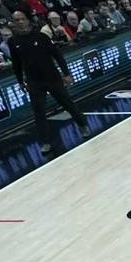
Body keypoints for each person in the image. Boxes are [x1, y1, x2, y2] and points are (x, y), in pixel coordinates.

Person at [8, 10, 91, 154]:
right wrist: (20, 81)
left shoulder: (41, 36)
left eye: (22, 19)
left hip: (52, 77)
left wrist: (66, 73)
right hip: (34, 82)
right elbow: (16, 64)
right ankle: (46, 142)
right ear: (13, 23)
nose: (20, 22)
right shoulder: (13, 41)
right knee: (39, 112)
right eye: (17, 20)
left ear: (27, 20)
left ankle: (83, 125)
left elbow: (57, 55)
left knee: (68, 104)